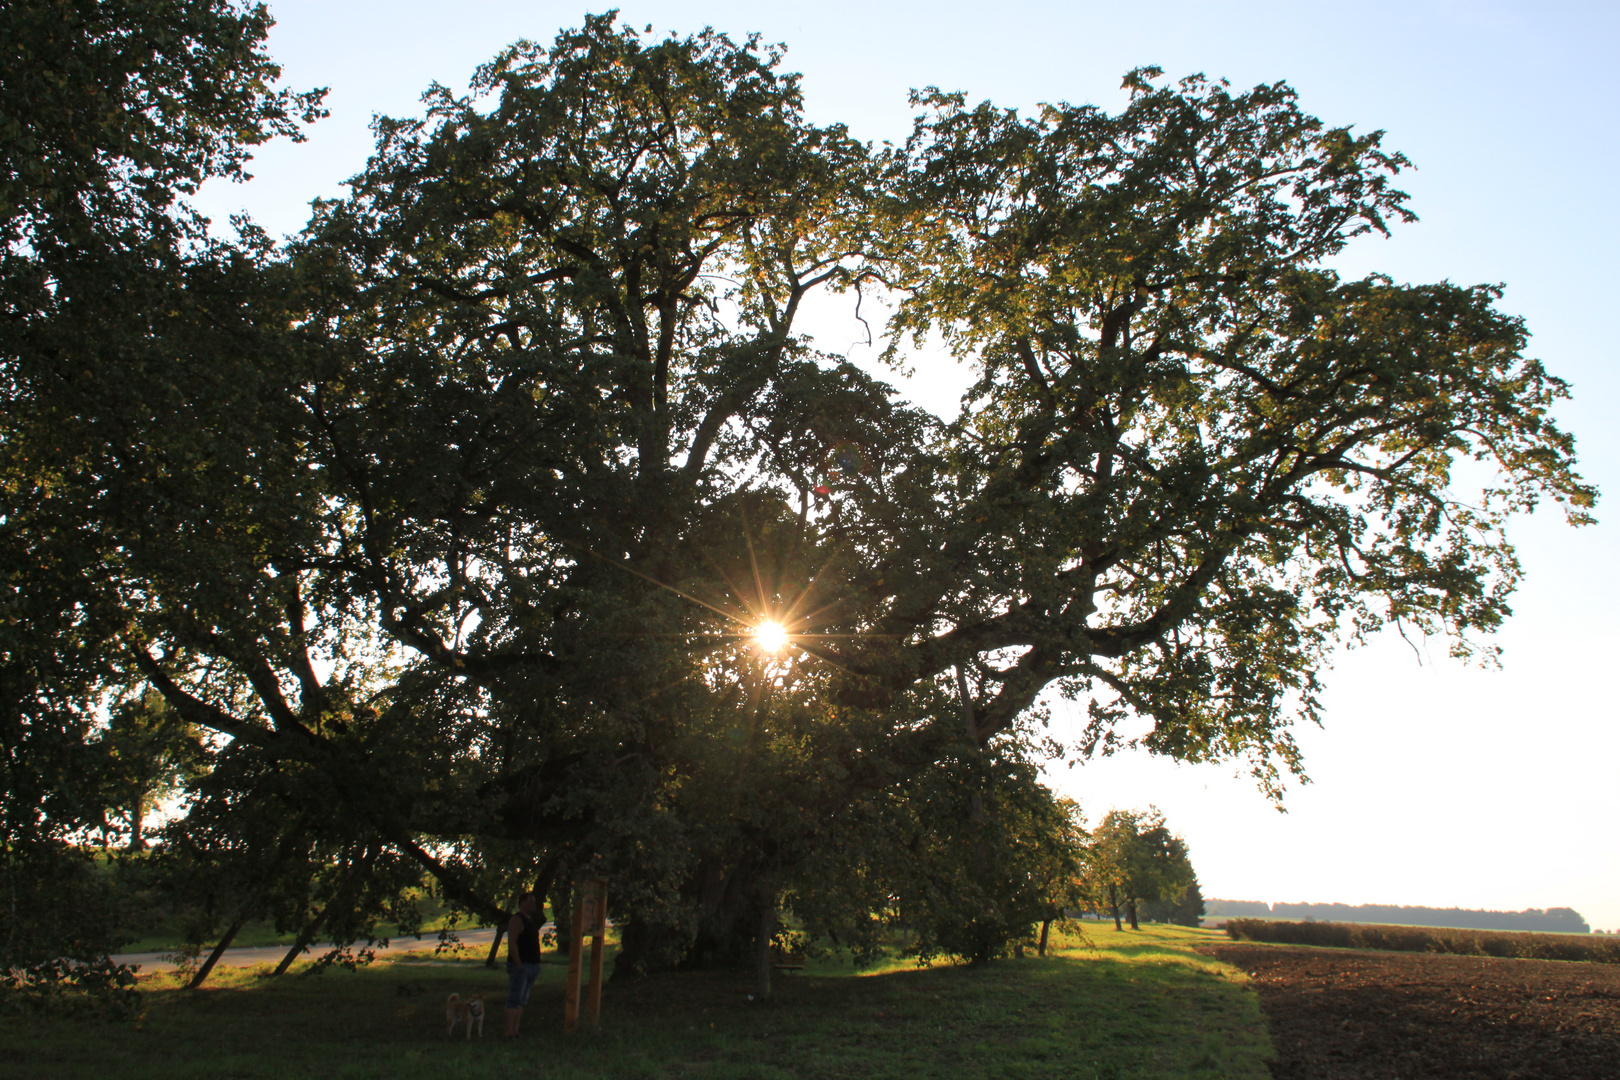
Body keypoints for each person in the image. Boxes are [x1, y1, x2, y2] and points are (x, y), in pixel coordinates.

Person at [504, 891, 543, 1038]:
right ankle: (508, 1032)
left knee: (521, 1001)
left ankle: (515, 1030)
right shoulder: (516, 920)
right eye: (530, 902)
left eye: (534, 902)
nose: (534, 905)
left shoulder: (531, 921)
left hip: (533, 965)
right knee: (514, 999)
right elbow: (512, 943)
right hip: (521, 966)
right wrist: (518, 963)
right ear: (522, 903)